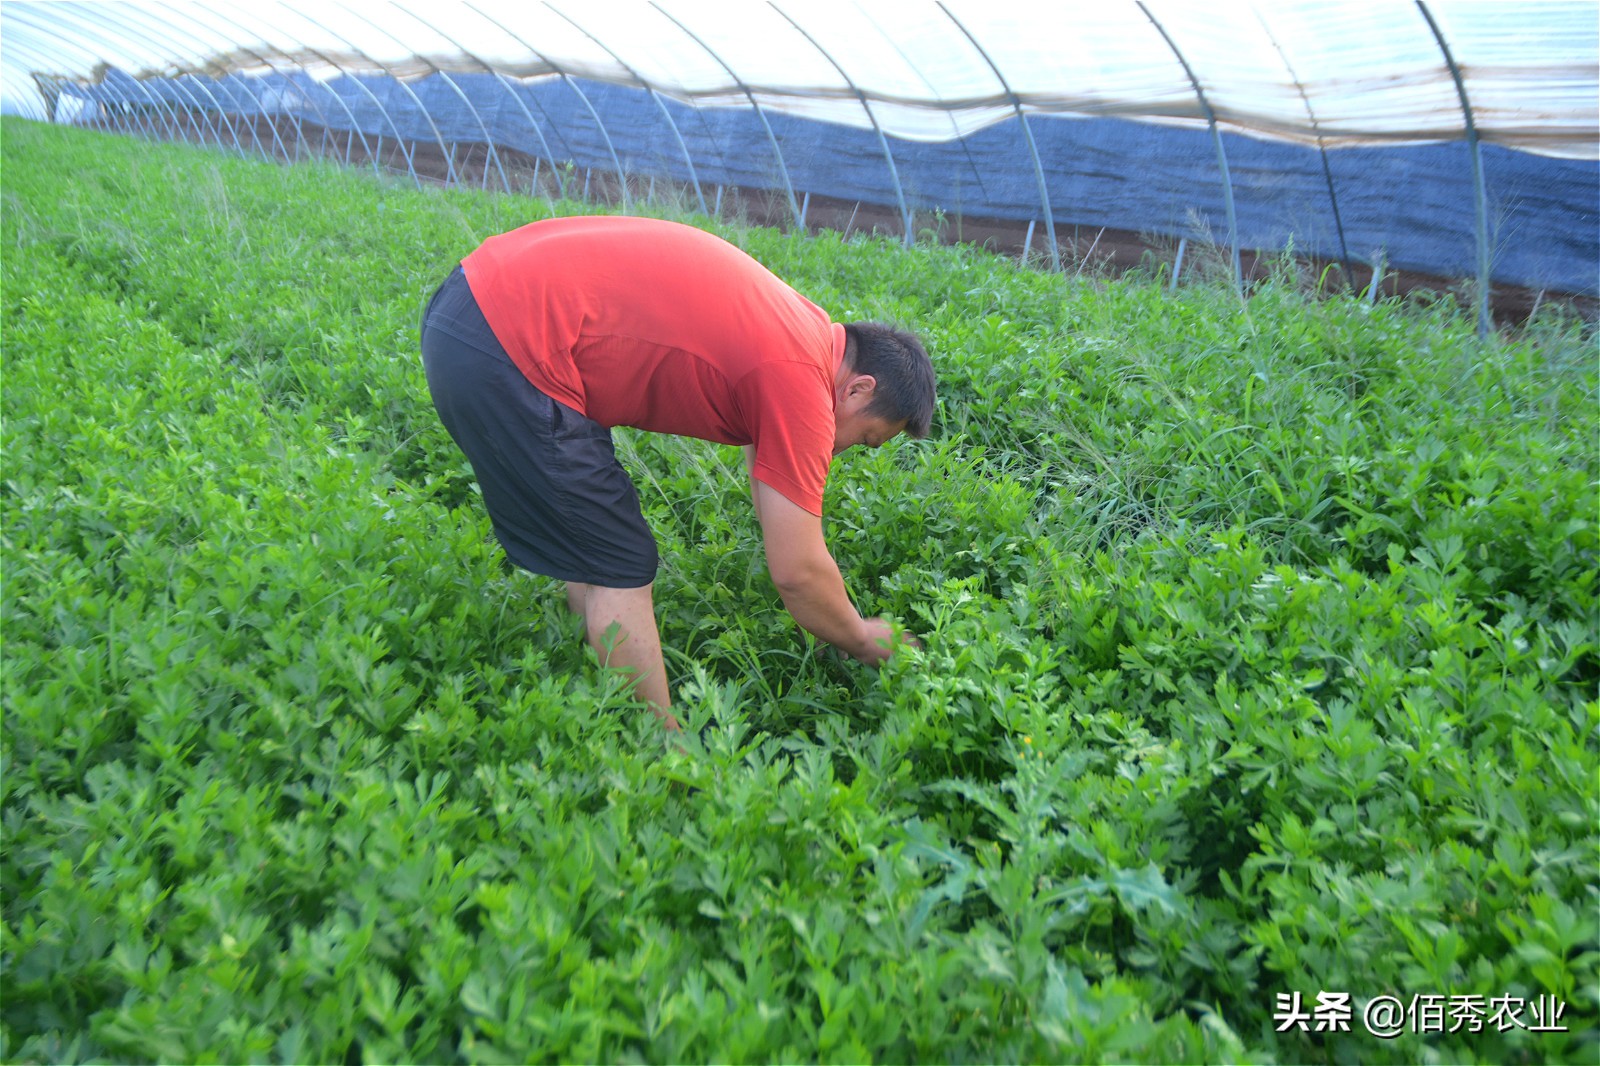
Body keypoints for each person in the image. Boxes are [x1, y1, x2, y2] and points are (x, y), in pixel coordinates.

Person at [420, 214, 935, 730]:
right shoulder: (801, 379)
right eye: (866, 438)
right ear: (859, 389)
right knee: (619, 559)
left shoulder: (804, 331)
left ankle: (595, 674)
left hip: (472, 303)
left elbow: (778, 502)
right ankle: (661, 751)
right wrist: (862, 638)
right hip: (510, 345)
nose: (844, 449)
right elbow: (797, 571)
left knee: (590, 536)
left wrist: (833, 623)